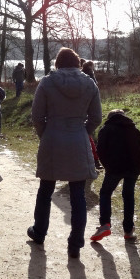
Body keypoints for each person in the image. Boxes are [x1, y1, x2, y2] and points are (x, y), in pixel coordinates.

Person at [26, 47, 102, 259]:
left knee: (45, 189)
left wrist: (47, 134)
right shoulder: (90, 83)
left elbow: (37, 116)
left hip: (52, 139)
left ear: (57, 64)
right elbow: (96, 117)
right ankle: (75, 244)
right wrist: (81, 132)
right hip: (78, 140)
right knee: (78, 194)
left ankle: (39, 232)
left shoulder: (47, 82)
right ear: (78, 63)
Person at [90, 109, 140, 242]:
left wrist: (107, 165)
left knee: (105, 193)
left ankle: (105, 224)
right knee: (128, 196)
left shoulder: (106, 129)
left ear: (110, 118)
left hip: (114, 168)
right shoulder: (134, 129)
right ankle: (128, 231)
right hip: (134, 167)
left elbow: (100, 150)